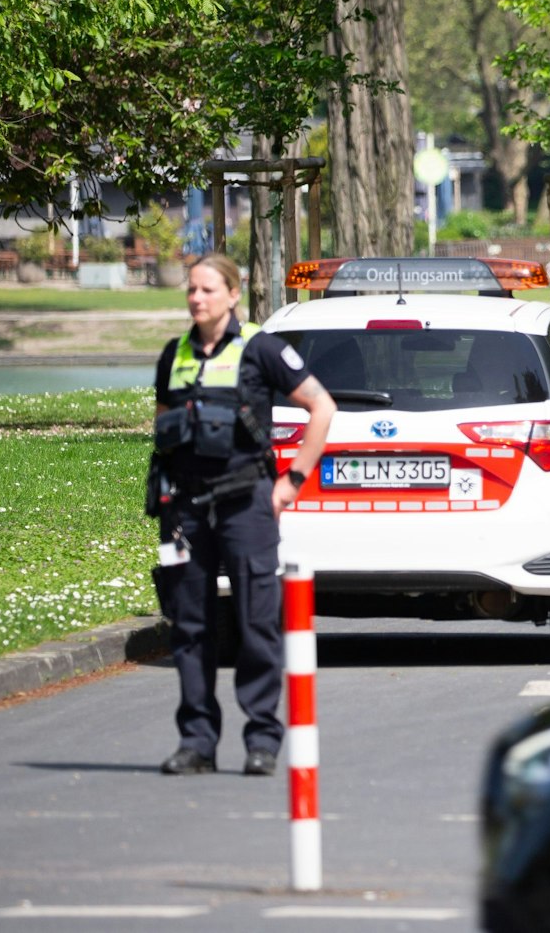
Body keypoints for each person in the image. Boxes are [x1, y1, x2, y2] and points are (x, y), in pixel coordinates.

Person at [150, 254, 334, 776]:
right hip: (186, 508)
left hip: (246, 503)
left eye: (207, 289)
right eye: (191, 289)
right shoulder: (174, 354)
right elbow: (163, 424)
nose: (196, 298)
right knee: (190, 625)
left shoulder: (261, 349)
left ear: (233, 294)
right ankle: (197, 743)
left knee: (256, 622)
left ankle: (262, 740)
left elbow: (322, 407)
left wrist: (291, 481)